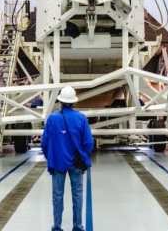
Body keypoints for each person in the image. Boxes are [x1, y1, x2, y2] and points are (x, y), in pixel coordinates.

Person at [41, 86, 94, 231]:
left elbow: (44, 143)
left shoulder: (52, 119)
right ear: (73, 102)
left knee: (57, 196)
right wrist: (83, 156)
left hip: (57, 162)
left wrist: (51, 157)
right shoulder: (81, 118)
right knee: (77, 196)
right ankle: (77, 227)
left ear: (60, 101)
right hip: (76, 163)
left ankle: (57, 227)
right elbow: (89, 142)